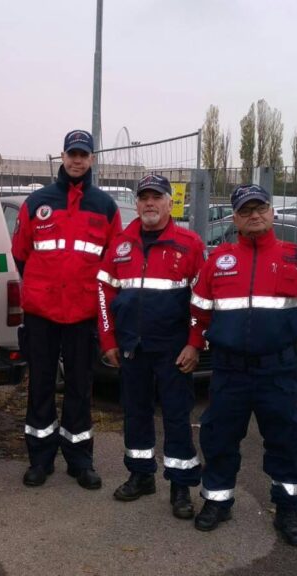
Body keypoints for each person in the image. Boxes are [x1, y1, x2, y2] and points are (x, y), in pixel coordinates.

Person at [181, 184, 297, 546]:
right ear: (234, 219)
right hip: (229, 370)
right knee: (219, 437)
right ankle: (218, 501)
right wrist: (194, 341)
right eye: (246, 211)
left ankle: (287, 510)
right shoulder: (218, 261)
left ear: (272, 213)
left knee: (286, 440)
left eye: (260, 208)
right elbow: (199, 311)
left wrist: (282, 330)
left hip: (277, 370)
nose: (254, 215)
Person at [11, 129, 122, 490]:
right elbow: (21, 253)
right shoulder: (37, 202)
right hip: (42, 312)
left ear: (92, 159)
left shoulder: (105, 206)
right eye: (72, 154)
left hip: (83, 312)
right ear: (62, 156)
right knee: (41, 385)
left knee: (80, 386)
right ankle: (40, 459)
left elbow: (112, 260)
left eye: (83, 155)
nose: (77, 160)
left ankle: (80, 460)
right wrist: (42, 285)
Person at [96, 174, 205, 518]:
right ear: (137, 203)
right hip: (132, 346)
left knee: (176, 415)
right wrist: (109, 340)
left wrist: (195, 343)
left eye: (156, 197)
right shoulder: (121, 243)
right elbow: (104, 292)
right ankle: (141, 475)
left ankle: (180, 486)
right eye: (143, 198)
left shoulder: (189, 243)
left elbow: (202, 301)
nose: (149, 203)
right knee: (136, 413)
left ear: (169, 203)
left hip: (174, 349)